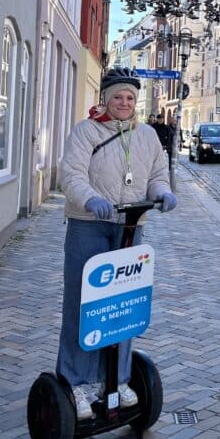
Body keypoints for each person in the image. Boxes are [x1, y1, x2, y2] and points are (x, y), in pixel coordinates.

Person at [57, 66, 177, 420]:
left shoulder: (147, 135)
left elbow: (157, 174)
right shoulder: (86, 131)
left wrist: (163, 192)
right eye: (118, 97)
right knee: (85, 303)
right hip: (89, 226)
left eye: (129, 98)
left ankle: (118, 379)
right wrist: (89, 198)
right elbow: (71, 174)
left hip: (130, 226)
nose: (124, 103)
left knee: (124, 306)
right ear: (105, 99)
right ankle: (76, 382)